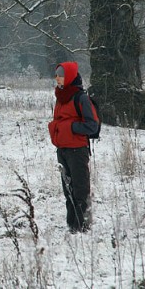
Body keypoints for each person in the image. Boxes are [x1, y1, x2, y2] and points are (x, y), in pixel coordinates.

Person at [48, 61, 98, 233]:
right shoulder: (60, 97)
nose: (57, 78)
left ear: (69, 76)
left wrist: (70, 128)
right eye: (56, 75)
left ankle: (83, 226)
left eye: (61, 75)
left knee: (80, 190)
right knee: (67, 190)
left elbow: (93, 126)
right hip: (62, 151)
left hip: (77, 151)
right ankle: (72, 225)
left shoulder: (81, 98)